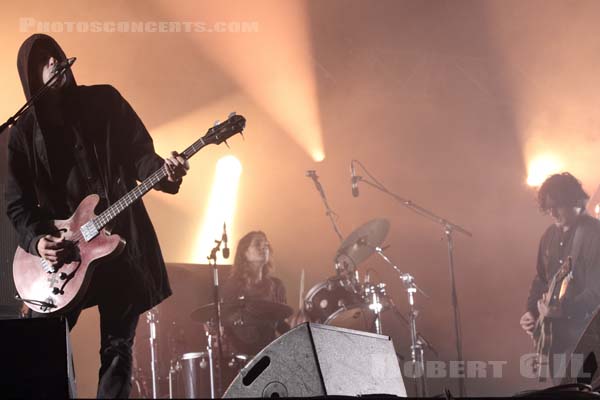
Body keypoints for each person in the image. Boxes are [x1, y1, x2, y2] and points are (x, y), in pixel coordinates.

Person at [6, 34, 189, 398]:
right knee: (44, 348)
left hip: (120, 245)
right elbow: (16, 204)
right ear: (30, 76)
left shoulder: (104, 101)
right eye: (43, 60)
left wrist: (165, 171)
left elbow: (142, 155)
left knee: (118, 350)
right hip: (66, 258)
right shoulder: (23, 134)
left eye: (55, 54)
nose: (54, 62)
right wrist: (39, 241)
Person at [520, 172, 600, 379]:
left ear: (574, 201)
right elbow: (541, 279)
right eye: (548, 207)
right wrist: (531, 312)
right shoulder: (548, 237)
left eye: (557, 206)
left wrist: (564, 310)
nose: (552, 212)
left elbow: (596, 293)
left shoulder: (594, 235)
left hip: (588, 338)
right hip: (558, 341)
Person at [220, 231, 290, 356]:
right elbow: (225, 323)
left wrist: (297, 328)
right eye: (257, 244)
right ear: (244, 253)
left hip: (269, 354)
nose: (264, 247)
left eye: (266, 245)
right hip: (240, 357)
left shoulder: (277, 286)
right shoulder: (231, 287)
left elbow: (281, 324)